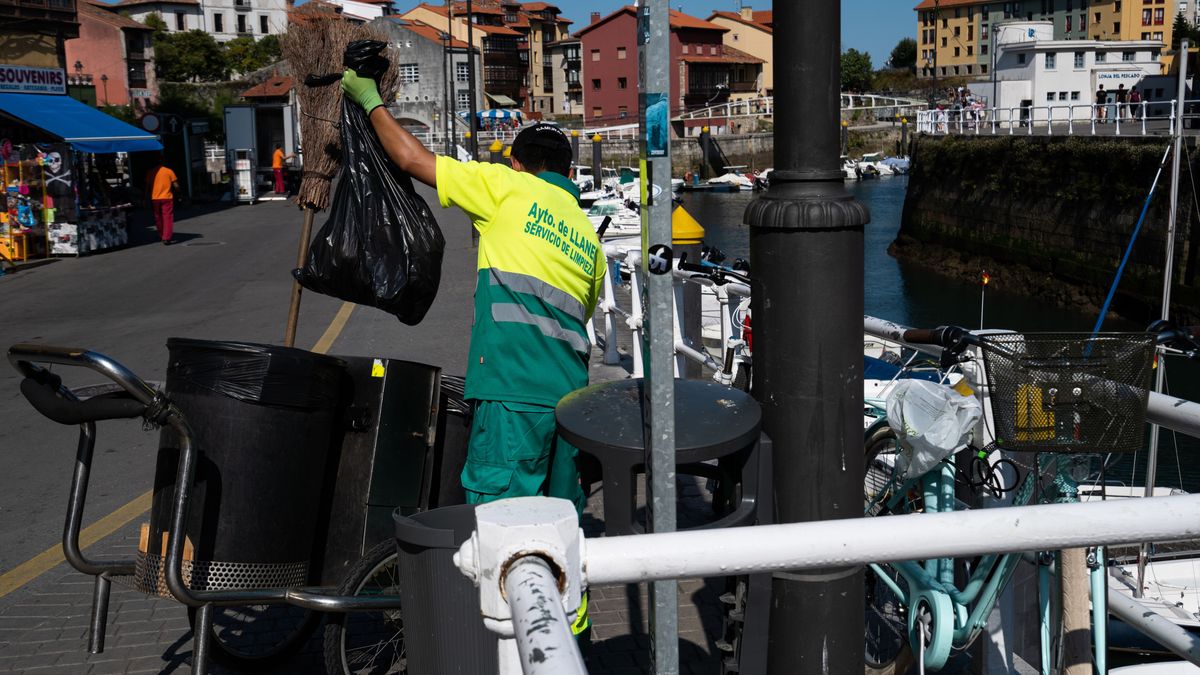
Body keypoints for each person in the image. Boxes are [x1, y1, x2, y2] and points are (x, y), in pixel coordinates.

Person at [343, 65, 604, 645]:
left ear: (518, 162)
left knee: (503, 534)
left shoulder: (508, 188)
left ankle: (506, 650)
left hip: (511, 396)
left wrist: (369, 103)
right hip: (569, 404)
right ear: (566, 171)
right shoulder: (586, 231)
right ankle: (573, 647)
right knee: (561, 531)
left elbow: (413, 159)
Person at [145, 157, 178, 245]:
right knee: (167, 217)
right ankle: (166, 237)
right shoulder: (169, 171)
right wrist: (179, 193)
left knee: (158, 217)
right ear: (163, 162)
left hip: (155, 198)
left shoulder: (151, 172)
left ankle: (161, 234)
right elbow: (176, 185)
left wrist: (146, 197)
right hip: (166, 197)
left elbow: (147, 187)